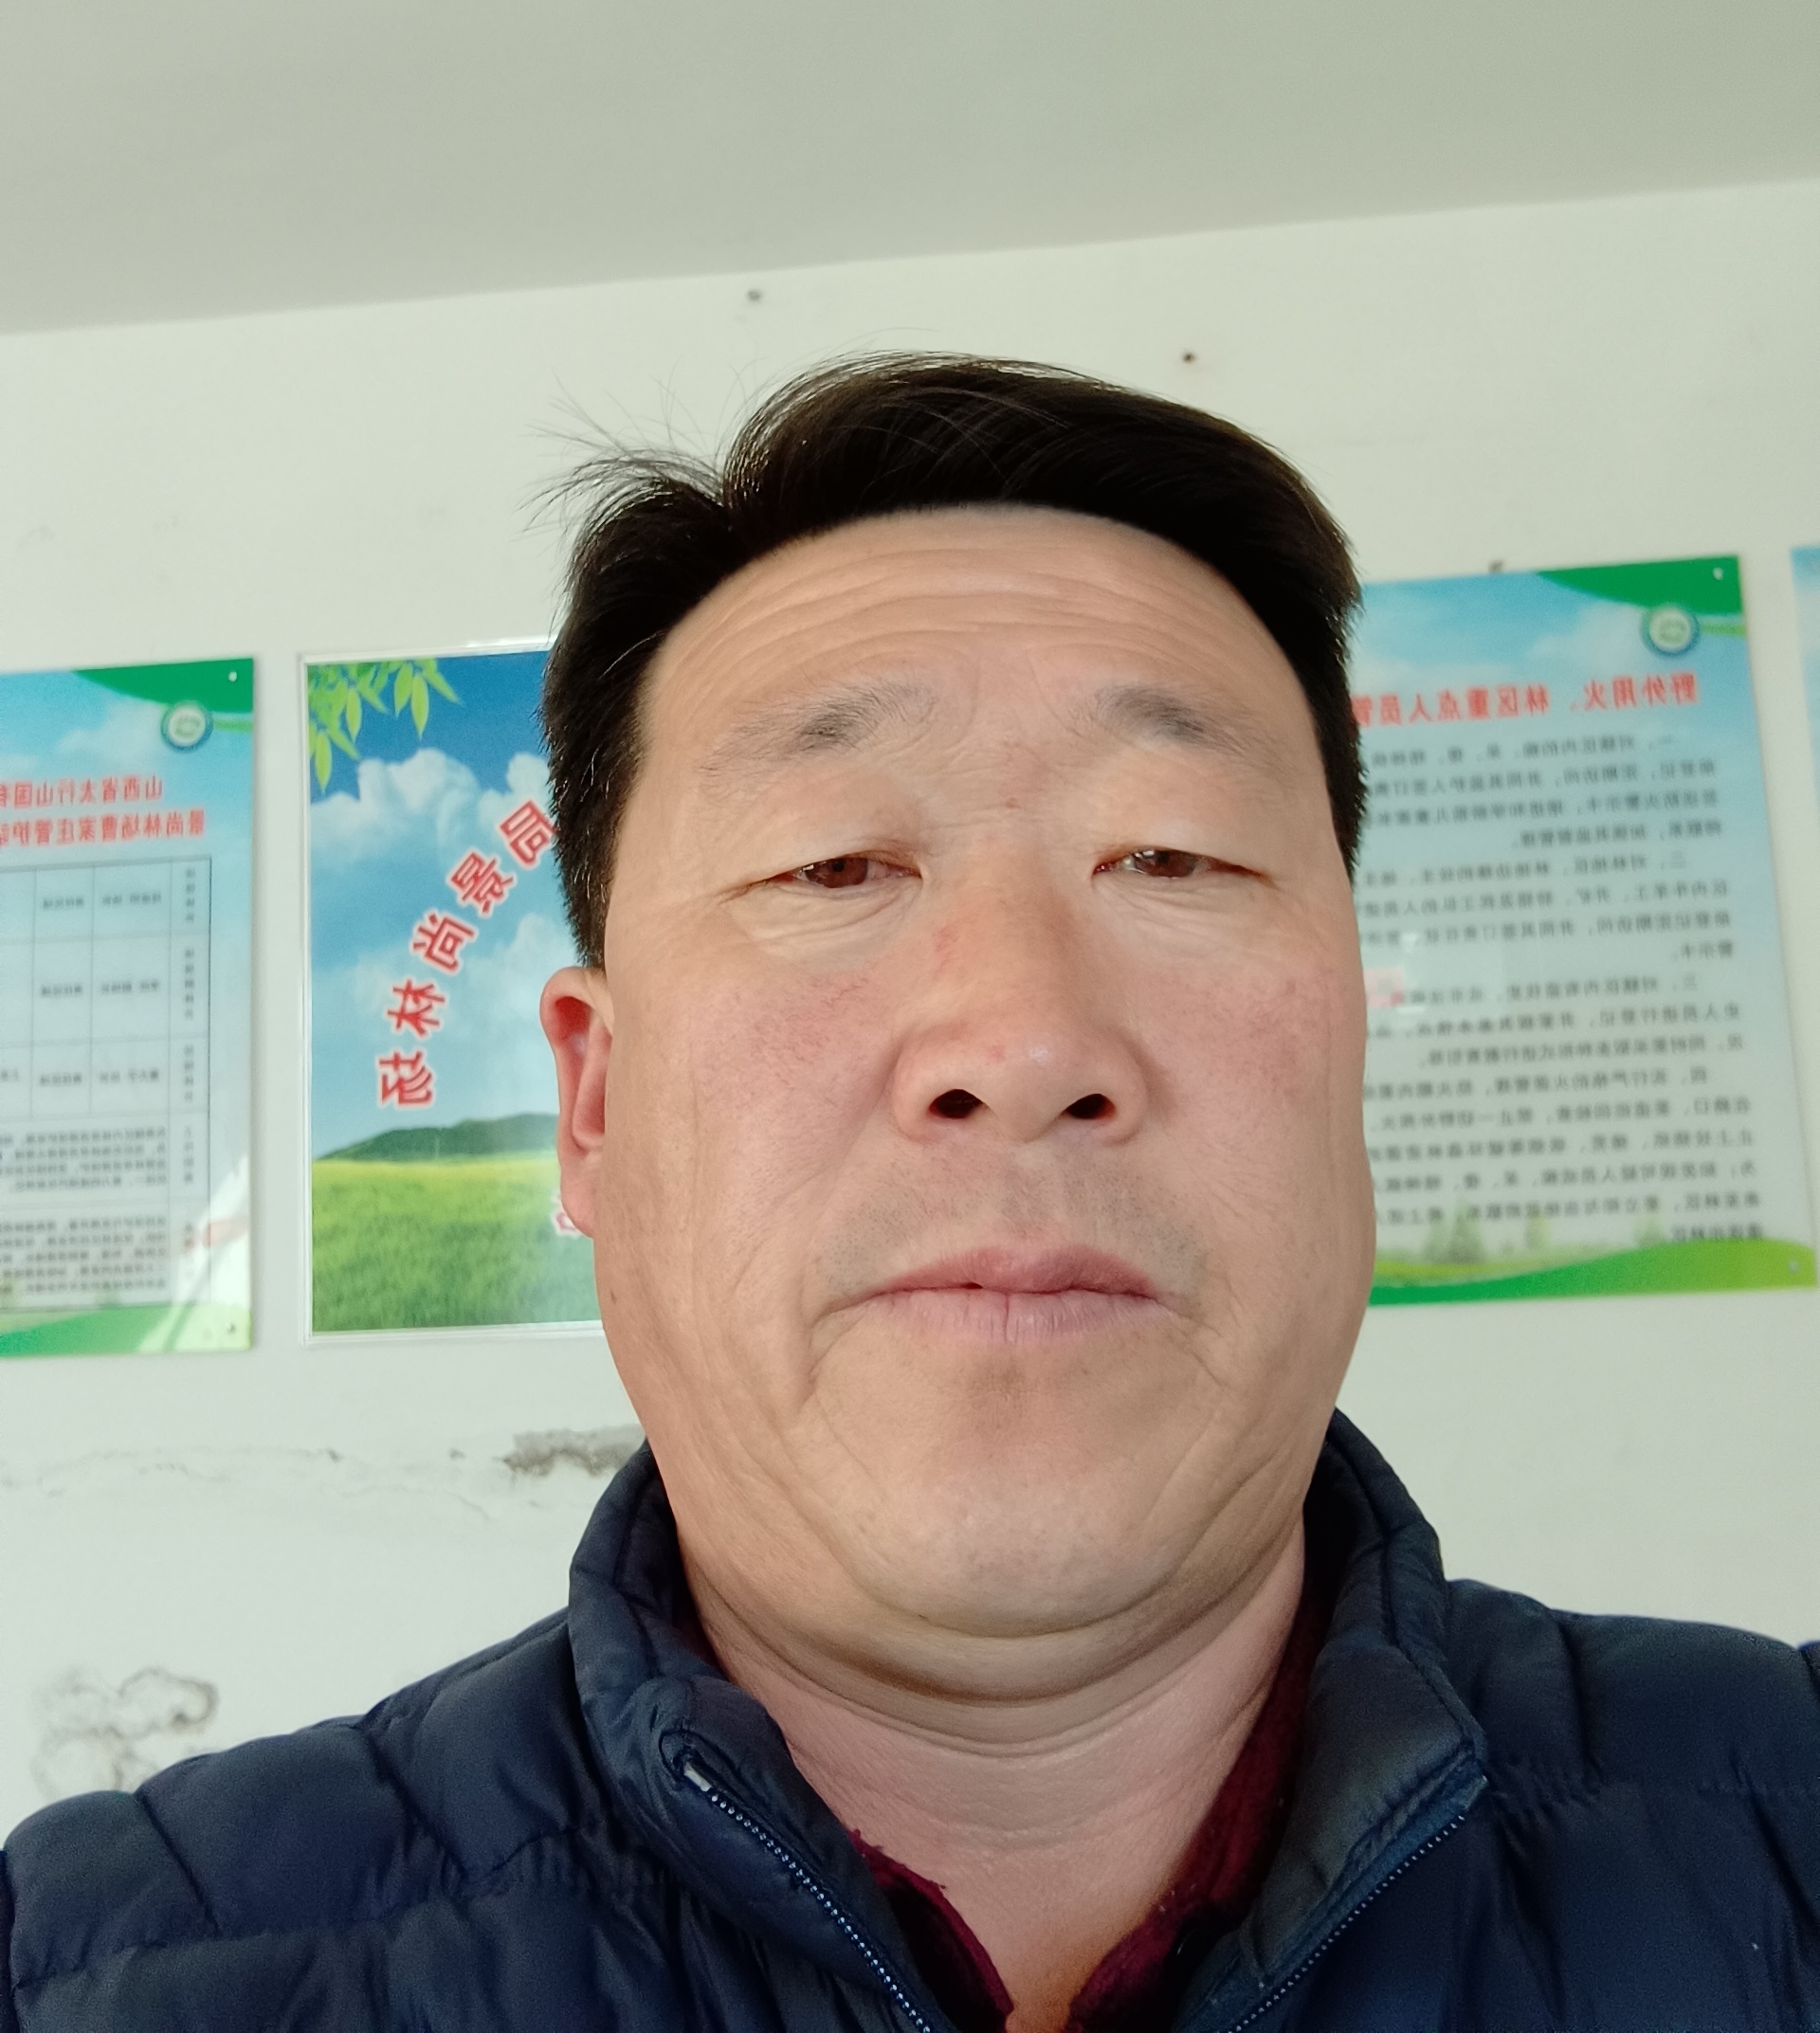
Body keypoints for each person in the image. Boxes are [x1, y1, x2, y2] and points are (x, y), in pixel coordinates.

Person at [5, 356, 1817, 2033]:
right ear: (596, 1103)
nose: (1021, 1039)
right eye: (834, 864)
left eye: (1174, 853)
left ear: (1348, 1043)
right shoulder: (97, 1976)